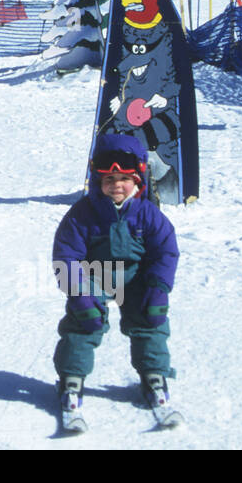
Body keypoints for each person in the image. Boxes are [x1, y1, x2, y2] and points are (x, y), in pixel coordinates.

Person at [51, 133, 179, 420]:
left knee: (150, 320)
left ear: (137, 180)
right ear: (98, 181)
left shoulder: (148, 214)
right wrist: (79, 292)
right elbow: (66, 254)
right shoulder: (83, 213)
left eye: (123, 179)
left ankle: (154, 374)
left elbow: (165, 252)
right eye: (108, 180)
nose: (116, 186)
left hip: (136, 277)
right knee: (83, 322)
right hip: (95, 275)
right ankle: (72, 378)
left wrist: (158, 286)